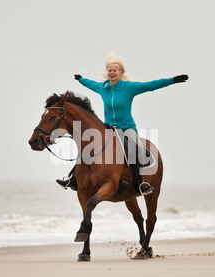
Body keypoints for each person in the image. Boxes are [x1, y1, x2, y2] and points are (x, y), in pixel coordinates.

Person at [57, 51, 188, 195]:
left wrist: (173, 80)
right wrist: (81, 80)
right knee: (86, 147)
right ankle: (73, 178)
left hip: (127, 128)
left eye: (115, 70)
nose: (112, 73)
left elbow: (151, 85)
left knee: (135, 150)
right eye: (110, 70)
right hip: (108, 129)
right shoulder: (103, 88)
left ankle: (141, 182)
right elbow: (91, 84)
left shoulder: (129, 87)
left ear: (120, 72)